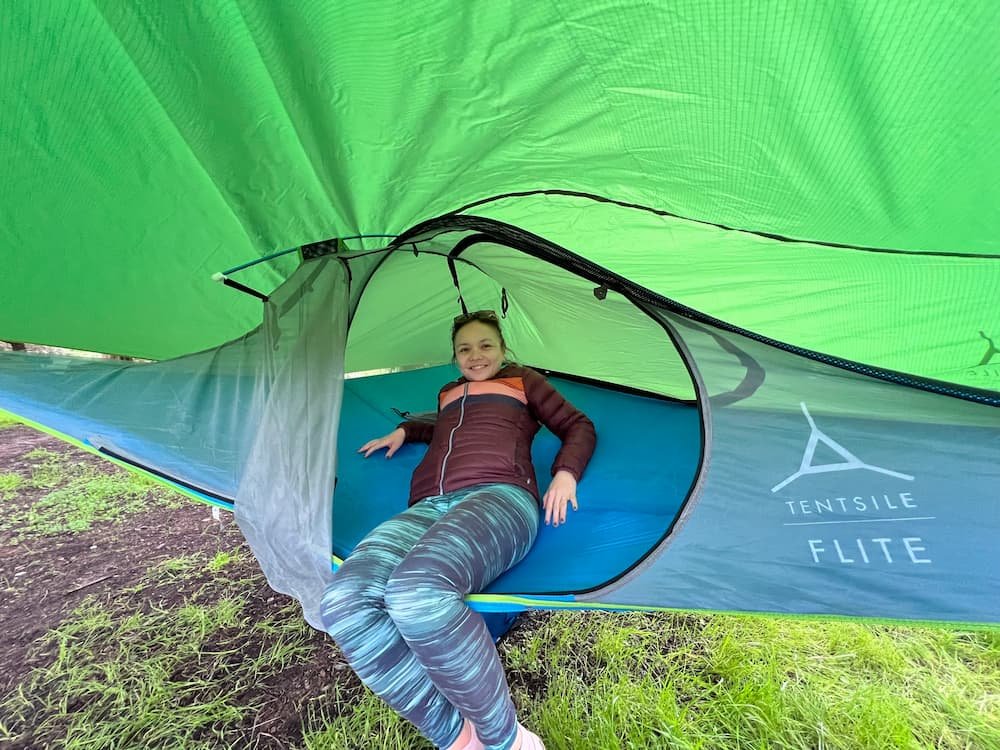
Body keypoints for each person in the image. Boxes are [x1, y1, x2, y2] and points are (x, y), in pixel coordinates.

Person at [320, 309, 596, 750]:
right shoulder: (449, 392)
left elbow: (577, 424)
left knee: (416, 592)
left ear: (503, 350)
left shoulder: (522, 381)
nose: (476, 354)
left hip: (499, 497)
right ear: (455, 357)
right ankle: (458, 738)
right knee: (342, 601)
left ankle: (508, 741)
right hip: (429, 505)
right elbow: (447, 428)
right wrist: (405, 430)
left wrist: (565, 473)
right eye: (465, 348)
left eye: (486, 344)